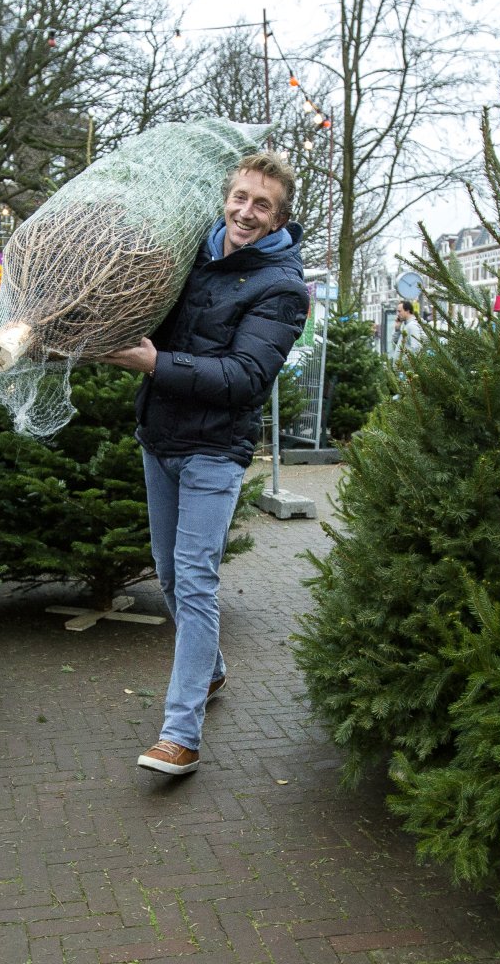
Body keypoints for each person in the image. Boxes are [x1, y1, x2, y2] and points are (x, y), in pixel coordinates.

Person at [94, 151, 308, 776]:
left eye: (261, 204)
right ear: (226, 197)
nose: (246, 211)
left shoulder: (282, 287)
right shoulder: (189, 250)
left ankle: (179, 734)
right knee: (166, 572)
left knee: (194, 581)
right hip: (159, 437)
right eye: (240, 197)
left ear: (278, 217)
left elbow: (246, 376)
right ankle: (210, 670)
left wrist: (155, 365)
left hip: (215, 451)